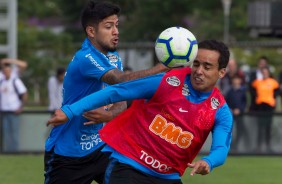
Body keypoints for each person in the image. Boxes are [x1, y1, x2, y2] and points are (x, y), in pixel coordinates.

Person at [47, 39, 233, 183]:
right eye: (196, 64)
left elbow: (221, 148)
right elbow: (116, 91)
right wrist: (71, 111)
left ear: (222, 72)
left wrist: (209, 162)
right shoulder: (166, 82)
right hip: (129, 167)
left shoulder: (220, 111)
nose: (199, 71)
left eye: (207, 67)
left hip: (168, 177)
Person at [44, 1, 168, 184]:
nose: (116, 31)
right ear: (91, 32)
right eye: (108, 26)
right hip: (69, 154)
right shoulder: (85, 58)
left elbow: (120, 93)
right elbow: (120, 80)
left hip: (102, 148)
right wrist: (161, 68)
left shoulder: (112, 57)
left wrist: (112, 114)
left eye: (117, 25)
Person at [0, 63, 28, 152]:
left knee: (14, 132)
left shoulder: (15, 81)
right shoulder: (2, 82)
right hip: (4, 111)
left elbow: (24, 93)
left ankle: (14, 151)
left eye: (8, 71)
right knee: (5, 133)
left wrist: (21, 107)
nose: (6, 73)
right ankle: (7, 151)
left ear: (10, 72)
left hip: (14, 111)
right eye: (4, 71)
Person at [251, 67, 279, 152]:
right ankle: (258, 147)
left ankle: (268, 147)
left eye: (266, 72)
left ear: (268, 73)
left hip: (269, 106)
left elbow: (277, 91)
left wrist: (273, 98)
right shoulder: (258, 82)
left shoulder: (273, 82)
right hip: (260, 106)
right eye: (263, 72)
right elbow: (251, 89)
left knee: (268, 127)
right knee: (260, 127)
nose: (264, 74)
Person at [225, 74, 248, 152]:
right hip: (230, 115)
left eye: (237, 79)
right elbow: (225, 102)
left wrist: (239, 109)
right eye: (234, 79)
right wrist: (230, 109)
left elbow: (245, 103)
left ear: (240, 81)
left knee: (240, 130)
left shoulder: (242, 91)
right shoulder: (229, 92)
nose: (236, 81)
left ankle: (235, 145)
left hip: (240, 115)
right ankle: (227, 147)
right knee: (229, 130)